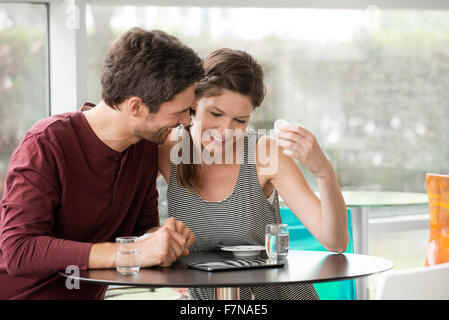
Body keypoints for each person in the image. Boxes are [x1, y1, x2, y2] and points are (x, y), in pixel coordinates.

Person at [0, 27, 201, 299]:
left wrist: (164, 238)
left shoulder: (143, 149)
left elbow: (142, 232)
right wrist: (132, 253)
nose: (187, 122)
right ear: (136, 107)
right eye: (180, 112)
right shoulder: (46, 143)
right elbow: (19, 250)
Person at [158, 48, 349, 300]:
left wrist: (324, 171)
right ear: (193, 101)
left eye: (240, 120)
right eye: (216, 114)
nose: (226, 131)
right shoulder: (166, 149)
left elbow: (334, 242)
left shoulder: (265, 154)